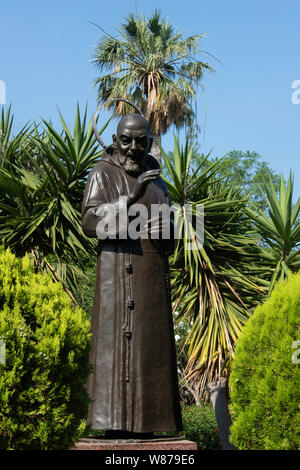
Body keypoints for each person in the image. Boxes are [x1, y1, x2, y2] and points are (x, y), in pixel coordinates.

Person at [81, 113, 182, 436]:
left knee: (151, 356)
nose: (133, 148)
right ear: (115, 140)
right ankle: (113, 428)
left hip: (152, 287)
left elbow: (172, 238)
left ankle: (150, 427)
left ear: (150, 142)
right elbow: (89, 221)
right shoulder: (102, 173)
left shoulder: (160, 182)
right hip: (117, 281)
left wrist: (169, 230)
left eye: (141, 141)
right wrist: (131, 198)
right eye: (126, 140)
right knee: (115, 357)